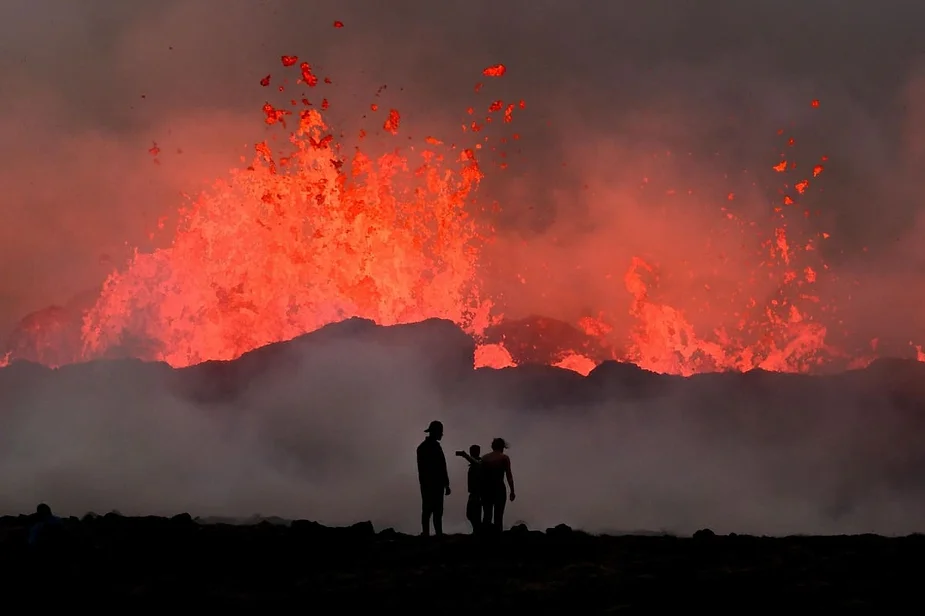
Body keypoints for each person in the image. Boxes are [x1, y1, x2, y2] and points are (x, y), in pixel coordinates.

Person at [416, 420, 450, 536]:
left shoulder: (422, 448)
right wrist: (446, 484)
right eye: (440, 432)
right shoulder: (433, 448)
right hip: (434, 484)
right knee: (435, 510)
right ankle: (436, 533)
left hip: (428, 484)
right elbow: (441, 467)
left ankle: (428, 533)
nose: (441, 435)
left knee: (429, 510)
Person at [480, 438, 515, 533]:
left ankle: (485, 538)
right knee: (498, 517)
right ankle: (498, 539)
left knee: (487, 515)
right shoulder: (504, 458)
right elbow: (509, 476)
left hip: (486, 489)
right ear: (502, 447)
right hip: (499, 488)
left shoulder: (484, 458)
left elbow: (481, 476)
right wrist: (512, 491)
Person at [455, 444, 483, 533]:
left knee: (473, 513)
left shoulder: (479, 462)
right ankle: (477, 530)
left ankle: (478, 531)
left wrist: (464, 455)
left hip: (477, 493)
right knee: (471, 514)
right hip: (473, 492)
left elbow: (476, 462)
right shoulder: (474, 464)